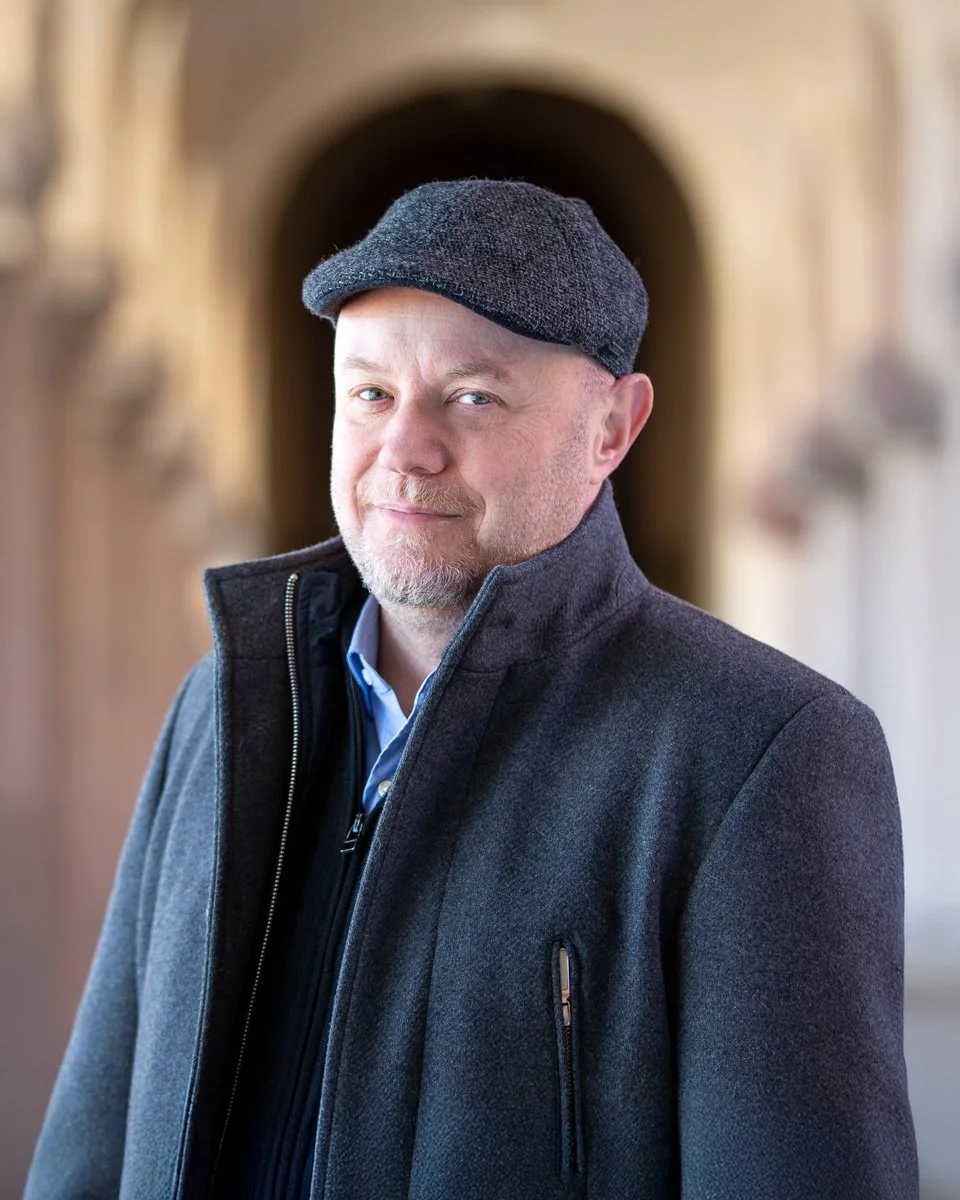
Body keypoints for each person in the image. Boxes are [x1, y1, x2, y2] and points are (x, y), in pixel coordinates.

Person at [27, 179, 918, 1199]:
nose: (405, 450)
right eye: (370, 394)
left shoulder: (761, 753)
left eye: (472, 397)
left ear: (613, 428)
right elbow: (92, 1145)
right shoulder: (222, 711)